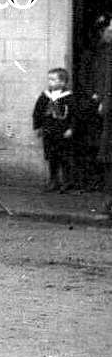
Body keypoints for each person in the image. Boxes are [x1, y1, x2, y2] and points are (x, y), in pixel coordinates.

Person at [77, 15, 112, 215]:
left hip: (106, 106)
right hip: (95, 105)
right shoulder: (94, 53)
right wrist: (94, 95)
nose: (105, 33)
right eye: (104, 30)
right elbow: (86, 76)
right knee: (99, 149)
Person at [32, 68, 77, 193]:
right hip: (49, 131)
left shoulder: (69, 97)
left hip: (63, 132)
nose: (50, 82)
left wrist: (71, 128)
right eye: (49, 79)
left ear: (63, 82)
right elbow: (37, 112)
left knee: (64, 157)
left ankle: (67, 182)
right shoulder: (45, 96)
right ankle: (53, 181)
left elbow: (75, 115)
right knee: (52, 157)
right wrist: (38, 127)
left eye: (53, 79)